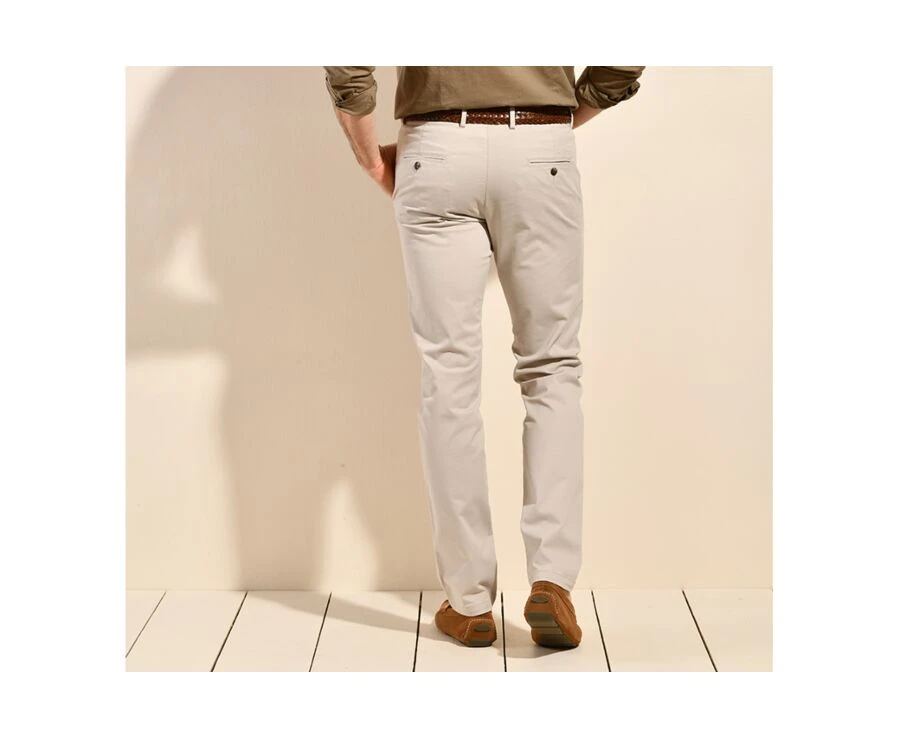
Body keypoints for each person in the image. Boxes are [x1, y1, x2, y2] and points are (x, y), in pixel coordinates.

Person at [324, 66, 644, 649]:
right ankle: (552, 580)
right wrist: (569, 111)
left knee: (447, 375)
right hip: (542, 148)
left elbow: (348, 59)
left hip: (436, 148)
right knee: (551, 369)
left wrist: (369, 156)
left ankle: (469, 602)